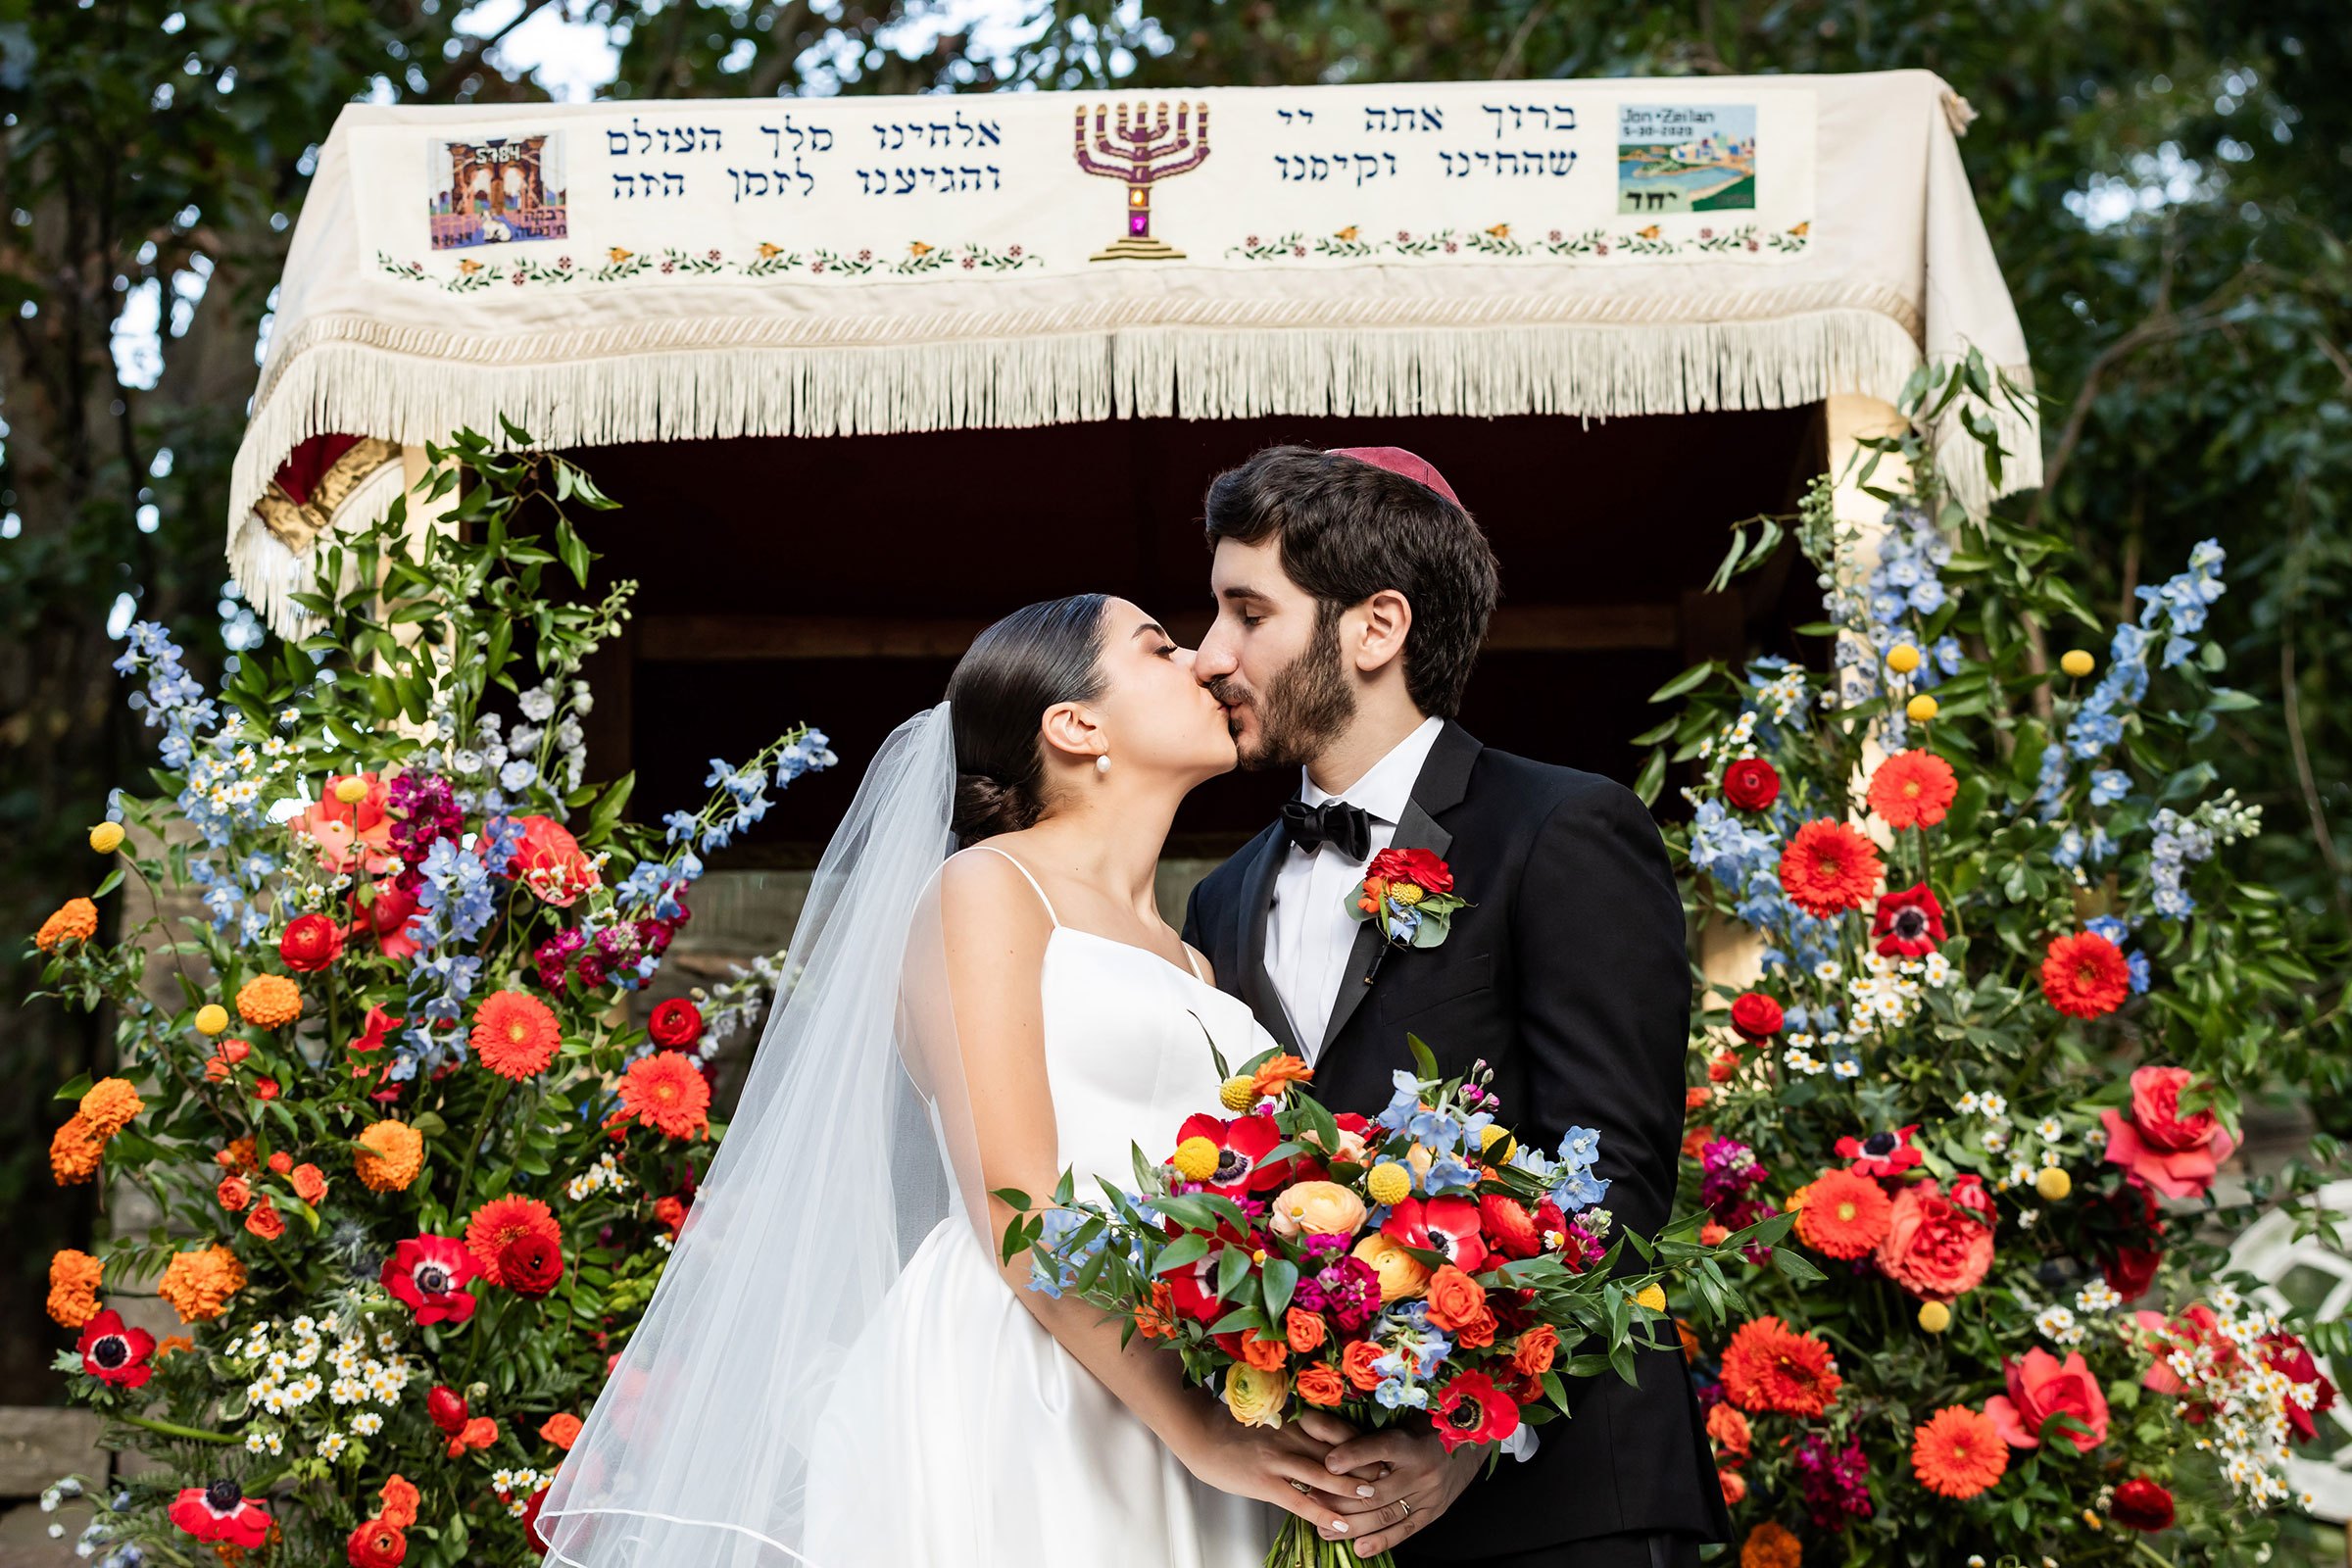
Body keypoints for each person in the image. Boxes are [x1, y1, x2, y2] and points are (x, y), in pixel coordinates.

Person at [538, 594, 1368, 1568]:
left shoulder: (1195, 962)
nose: (1205, 663)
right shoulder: (986, 891)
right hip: (1025, 1372)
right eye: (1161, 646)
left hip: (1188, 1366)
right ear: (1075, 724)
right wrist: (1198, 1431)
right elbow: (1018, 1200)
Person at [1183, 446, 1727, 1568]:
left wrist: (1472, 1426)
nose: (1210, 655)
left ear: (1375, 628)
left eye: (1247, 611)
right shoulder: (1219, 896)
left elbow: (1615, 1174)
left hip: (1564, 1506)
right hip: (1319, 1501)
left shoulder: (1562, 828)